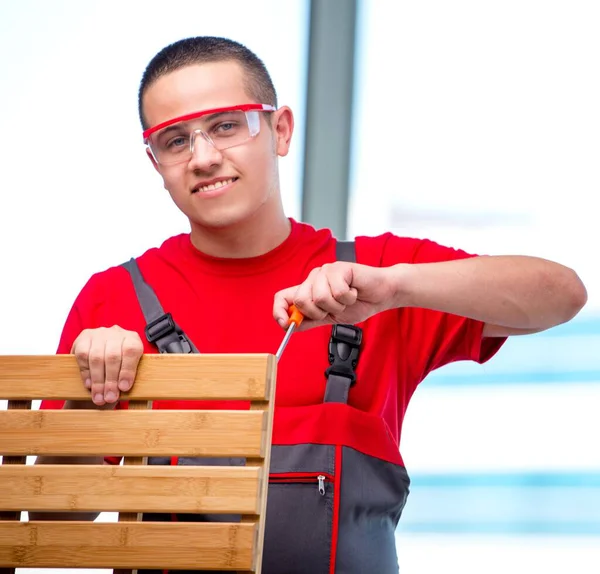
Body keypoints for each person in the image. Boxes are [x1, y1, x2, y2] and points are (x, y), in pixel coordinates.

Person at [35, 36, 587, 573]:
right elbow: (50, 526)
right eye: (175, 140)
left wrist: (397, 288)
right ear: (156, 163)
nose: (203, 157)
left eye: (226, 125)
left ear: (280, 130)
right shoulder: (113, 300)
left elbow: (561, 294)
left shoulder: (377, 274)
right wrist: (91, 400)